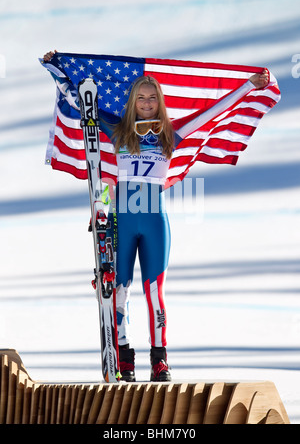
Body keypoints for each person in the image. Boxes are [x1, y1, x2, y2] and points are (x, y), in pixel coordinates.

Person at [43, 51, 269, 381]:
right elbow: (82, 106)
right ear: (133, 102)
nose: (147, 102)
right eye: (141, 98)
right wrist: (57, 68)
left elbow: (214, 111)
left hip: (154, 221)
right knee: (118, 290)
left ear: (159, 102)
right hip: (122, 218)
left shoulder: (171, 134)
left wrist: (248, 84)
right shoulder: (117, 131)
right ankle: (123, 355)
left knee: (154, 292)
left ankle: (159, 359)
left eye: (152, 98)